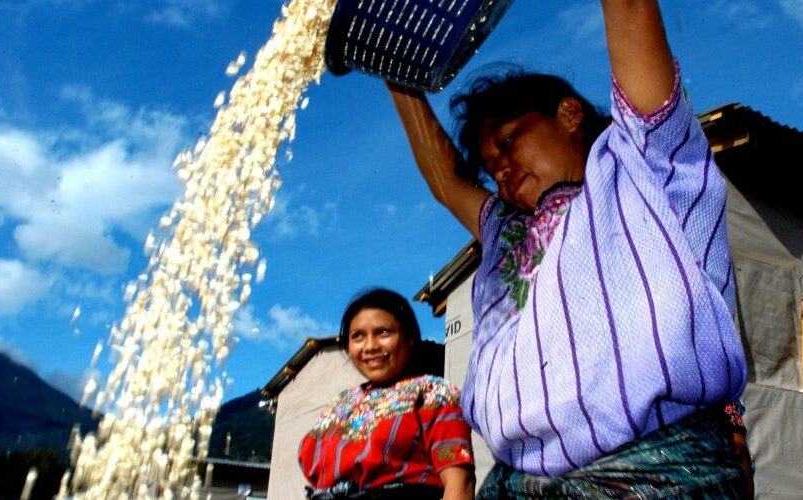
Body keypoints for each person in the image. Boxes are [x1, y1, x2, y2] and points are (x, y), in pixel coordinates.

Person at [387, 1, 749, 496]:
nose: (503, 173)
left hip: (653, 473)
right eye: (492, 170)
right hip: (517, 481)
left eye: (510, 143)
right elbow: (445, 181)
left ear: (569, 113)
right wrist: (394, 76)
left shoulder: (643, 169)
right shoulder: (508, 231)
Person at [298, 288, 476, 499]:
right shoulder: (339, 406)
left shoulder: (434, 395)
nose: (371, 346)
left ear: (409, 337)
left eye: (383, 332)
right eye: (358, 336)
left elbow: (460, 483)